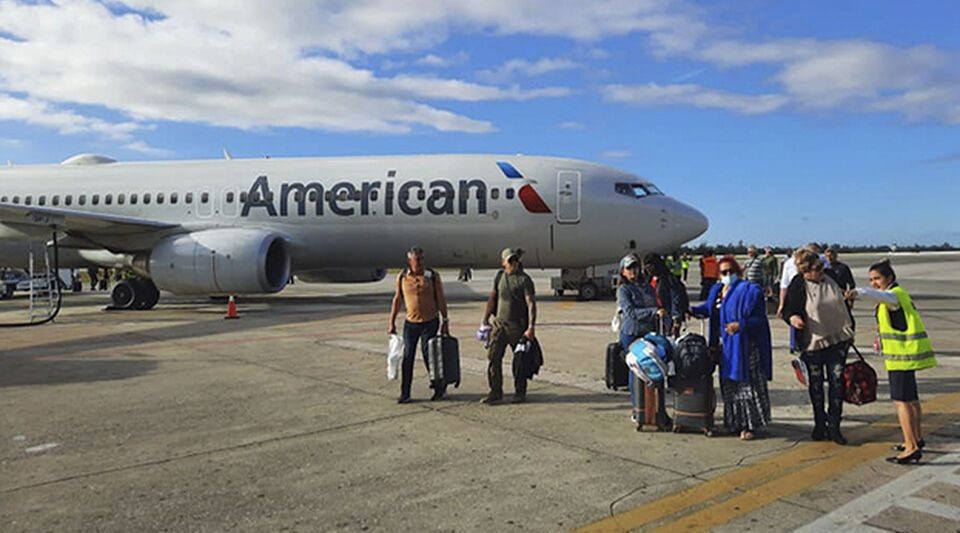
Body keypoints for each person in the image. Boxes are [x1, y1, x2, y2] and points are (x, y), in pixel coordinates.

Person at [847, 260, 937, 464]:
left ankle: (911, 447)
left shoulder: (893, 295)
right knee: (911, 400)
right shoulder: (898, 294)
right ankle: (916, 439)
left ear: (890, 278)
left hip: (901, 358)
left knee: (901, 402)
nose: (874, 283)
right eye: (871, 279)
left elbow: (877, 295)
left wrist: (857, 292)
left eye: (877, 278)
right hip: (905, 357)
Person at [690, 257, 772, 440]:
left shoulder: (750, 291)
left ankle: (749, 425)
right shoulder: (717, 290)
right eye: (723, 272)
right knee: (729, 388)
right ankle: (734, 423)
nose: (727, 275)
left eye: (730, 271)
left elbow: (759, 320)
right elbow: (709, 309)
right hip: (724, 347)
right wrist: (692, 310)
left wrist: (741, 324)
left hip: (745, 347)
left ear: (738, 271)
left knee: (747, 387)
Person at [782, 249, 855, 445]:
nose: (821, 271)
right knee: (816, 385)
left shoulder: (831, 277)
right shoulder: (798, 284)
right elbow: (788, 309)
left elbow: (846, 297)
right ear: (805, 271)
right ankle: (820, 424)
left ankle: (835, 426)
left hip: (838, 339)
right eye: (816, 268)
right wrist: (793, 318)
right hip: (813, 342)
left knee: (837, 383)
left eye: (822, 266)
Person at [388, 246, 450, 404]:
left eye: (422, 259)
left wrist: (445, 320)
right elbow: (397, 299)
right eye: (417, 259)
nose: (421, 262)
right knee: (408, 356)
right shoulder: (402, 277)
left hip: (430, 322)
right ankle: (405, 393)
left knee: (430, 356)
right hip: (411, 324)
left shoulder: (432, 276)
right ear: (410, 261)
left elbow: (440, 298)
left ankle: (439, 388)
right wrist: (392, 321)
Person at [480, 248, 537, 404]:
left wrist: (531, 327)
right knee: (493, 357)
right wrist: (485, 319)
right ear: (503, 262)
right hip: (499, 325)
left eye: (515, 260)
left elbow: (531, 304)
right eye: (510, 260)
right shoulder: (499, 277)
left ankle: (520, 392)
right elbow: (492, 298)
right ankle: (495, 391)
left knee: (519, 361)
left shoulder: (524, 280)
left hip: (517, 326)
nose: (513, 263)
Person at [616, 254, 666, 422]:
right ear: (623, 271)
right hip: (632, 334)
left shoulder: (647, 287)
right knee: (636, 369)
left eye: (635, 267)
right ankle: (637, 408)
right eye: (629, 268)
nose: (633, 271)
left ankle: (652, 407)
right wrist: (653, 312)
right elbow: (630, 313)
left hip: (648, 332)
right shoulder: (624, 290)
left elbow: (657, 304)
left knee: (651, 369)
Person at [644, 253, 688, 336]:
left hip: (667, 316)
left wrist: (676, 318)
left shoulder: (669, 279)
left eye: (650, 266)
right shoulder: (648, 279)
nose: (648, 269)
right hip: (652, 316)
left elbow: (676, 298)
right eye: (646, 267)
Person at [778, 243, 822, 317]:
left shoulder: (821, 266)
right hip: (797, 297)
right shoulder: (790, 265)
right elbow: (784, 286)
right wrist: (782, 304)